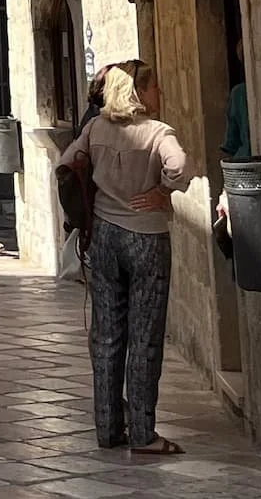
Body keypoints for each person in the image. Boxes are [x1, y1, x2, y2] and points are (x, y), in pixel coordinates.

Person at [58, 60, 190, 456]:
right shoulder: (156, 132)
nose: (159, 94)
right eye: (154, 88)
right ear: (139, 92)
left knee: (107, 334)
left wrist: (86, 207)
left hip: (104, 237)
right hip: (146, 236)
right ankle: (143, 433)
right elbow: (180, 166)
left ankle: (107, 426)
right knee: (145, 336)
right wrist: (163, 192)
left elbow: (65, 165)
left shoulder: (95, 129)